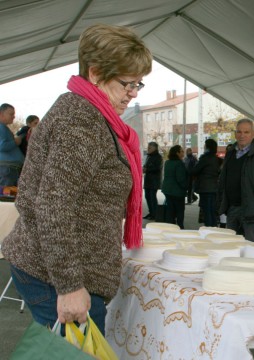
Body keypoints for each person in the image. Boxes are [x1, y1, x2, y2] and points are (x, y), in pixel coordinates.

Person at [2, 23, 152, 335]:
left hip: (59, 269)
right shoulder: (81, 120)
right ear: (96, 73)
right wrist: (69, 286)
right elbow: (52, 206)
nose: (133, 93)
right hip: (57, 276)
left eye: (139, 84)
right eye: (127, 83)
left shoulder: (89, 112)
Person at [218, 118, 254, 243]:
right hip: (232, 209)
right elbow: (223, 179)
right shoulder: (230, 154)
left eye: (246, 132)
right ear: (235, 134)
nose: (242, 135)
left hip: (252, 211)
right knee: (232, 248)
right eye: (239, 132)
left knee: (252, 249)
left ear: (253, 134)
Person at [191, 138, 221, 227]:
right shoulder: (217, 159)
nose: (204, 147)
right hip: (215, 188)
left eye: (205, 145)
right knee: (213, 212)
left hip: (205, 189)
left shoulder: (205, 158)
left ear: (208, 147)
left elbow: (195, 170)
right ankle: (214, 230)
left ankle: (209, 231)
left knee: (207, 212)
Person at [162, 145, 188, 228]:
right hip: (178, 191)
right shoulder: (179, 164)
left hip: (167, 190)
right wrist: (186, 187)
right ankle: (180, 227)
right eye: (182, 151)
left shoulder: (167, 162)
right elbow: (180, 179)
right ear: (177, 153)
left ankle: (170, 226)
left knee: (170, 210)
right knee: (180, 210)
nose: (183, 153)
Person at [0, 103, 24, 186]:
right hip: (7, 168)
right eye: (11, 114)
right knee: (5, 196)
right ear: (1, 114)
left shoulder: (3, 127)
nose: (13, 116)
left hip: (8, 168)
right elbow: (1, 146)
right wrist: (15, 142)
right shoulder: (1, 127)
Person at [143, 141, 163, 220]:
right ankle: (151, 212)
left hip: (154, 181)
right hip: (148, 180)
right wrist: (145, 168)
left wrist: (147, 169)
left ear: (154, 148)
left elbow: (157, 168)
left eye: (149, 148)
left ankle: (155, 214)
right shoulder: (148, 156)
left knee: (152, 198)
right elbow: (146, 165)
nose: (148, 149)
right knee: (147, 197)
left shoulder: (158, 157)